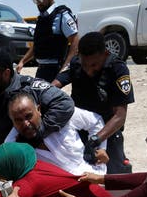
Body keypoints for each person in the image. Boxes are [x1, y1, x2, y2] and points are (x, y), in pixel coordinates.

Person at [53, 32, 135, 174]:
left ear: (105, 53)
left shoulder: (117, 69)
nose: (88, 70)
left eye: (94, 65)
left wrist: (96, 139)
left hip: (107, 132)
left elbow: (120, 116)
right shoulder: (76, 63)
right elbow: (55, 85)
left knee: (116, 177)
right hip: (80, 128)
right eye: (85, 65)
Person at [4, 91, 109, 175]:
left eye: (28, 116)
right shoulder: (12, 147)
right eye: (18, 120)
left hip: (96, 176)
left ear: (38, 110)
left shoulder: (61, 116)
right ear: (12, 122)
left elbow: (95, 122)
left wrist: (98, 148)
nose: (26, 124)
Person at [16, 0, 79, 82]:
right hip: (41, 69)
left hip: (55, 69)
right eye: (36, 0)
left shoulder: (62, 15)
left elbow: (75, 41)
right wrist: (22, 61)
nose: (38, 3)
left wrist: (65, 69)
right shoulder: (41, 18)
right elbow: (38, 45)